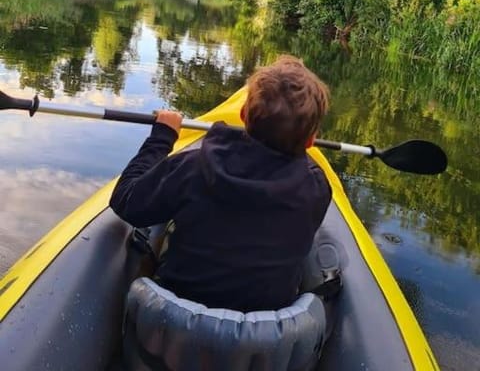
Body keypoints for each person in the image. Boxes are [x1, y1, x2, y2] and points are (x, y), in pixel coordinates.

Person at [110, 55, 334, 313]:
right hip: (264, 342)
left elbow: (125, 200)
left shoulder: (192, 168)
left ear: (242, 115)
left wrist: (162, 137)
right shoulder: (316, 188)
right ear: (310, 141)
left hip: (173, 324)